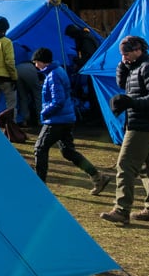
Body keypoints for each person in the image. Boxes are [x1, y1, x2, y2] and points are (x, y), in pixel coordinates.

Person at [100, 35, 149, 226]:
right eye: (122, 55)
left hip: (145, 123)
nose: (125, 57)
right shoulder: (135, 65)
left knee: (125, 164)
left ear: (138, 50)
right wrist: (123, 66)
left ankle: (121, 210)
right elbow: (123, 85)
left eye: (127, 54)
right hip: (140, 120)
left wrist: (132, 102)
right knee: (147, 168)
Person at [31, 48, 112, 192]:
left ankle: (39, 187)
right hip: (67, 118)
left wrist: (44, 112)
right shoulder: (58, 71)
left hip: (57, 120)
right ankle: (98, 177)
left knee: (40, 148)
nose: (36, 66)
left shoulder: (53, 75)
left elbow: (58, 100)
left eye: (36, 62)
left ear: (43, 62)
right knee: (68, 152)